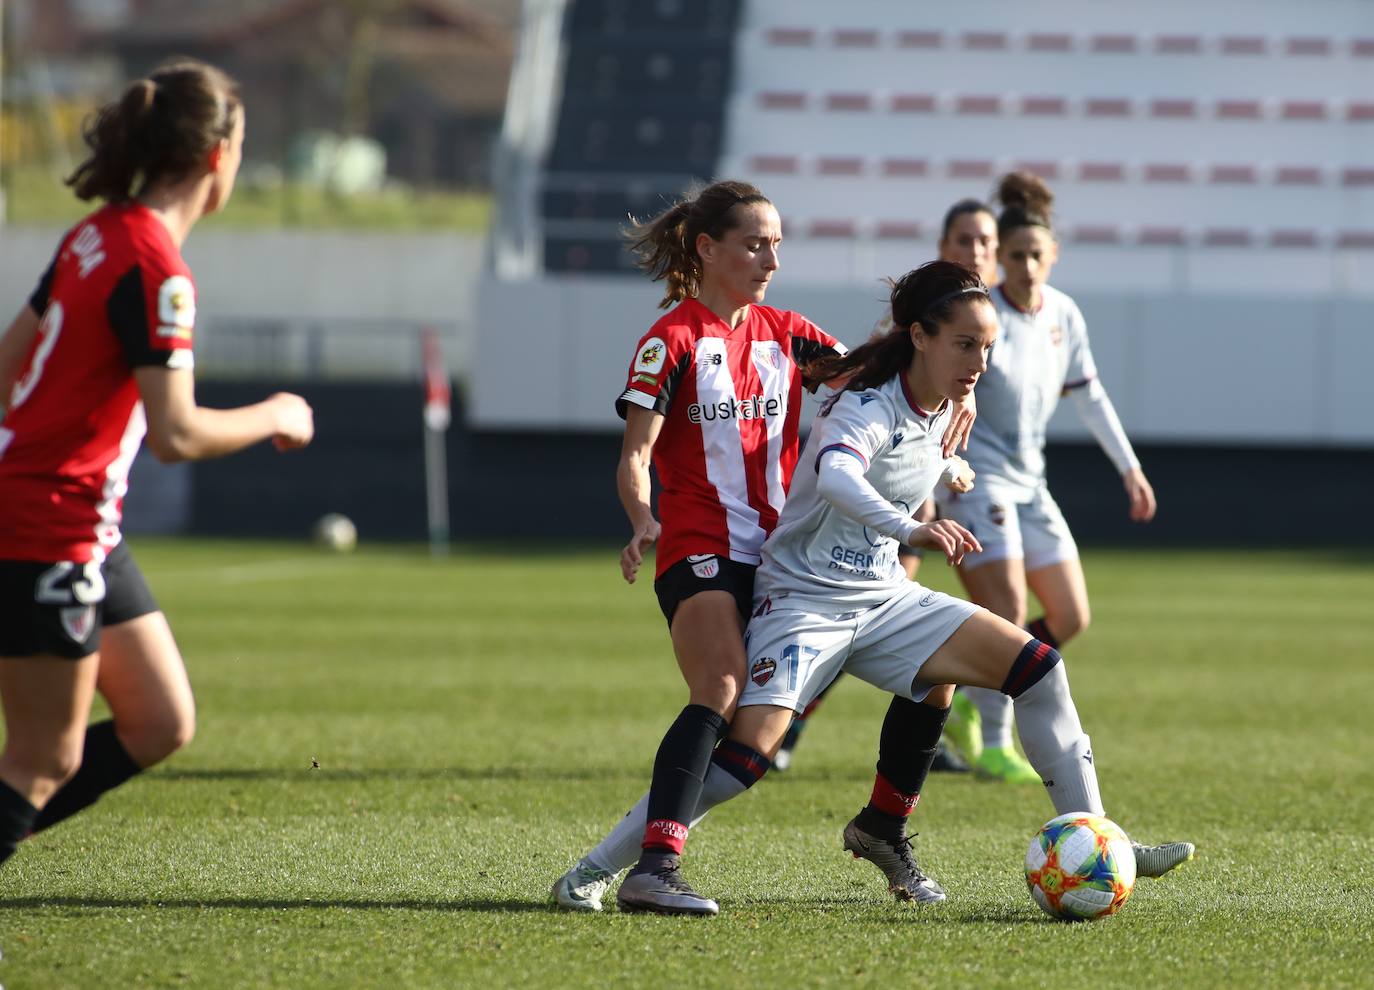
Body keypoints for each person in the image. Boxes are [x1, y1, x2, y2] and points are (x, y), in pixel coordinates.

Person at [552, 261, 1193, 912]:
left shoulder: (946, 402)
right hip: (804, 598)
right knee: (747, 757)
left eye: (988, 348)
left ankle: (1097, 836)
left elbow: (916, 452)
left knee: (1038, 669)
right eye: (965, 345)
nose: (979, 362)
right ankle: (595, 870)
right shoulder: (868, 397)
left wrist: (951, 466)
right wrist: (912, 531)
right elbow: (837, 477)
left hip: (883, 596)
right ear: (920, 336)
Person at [551, 181, 974, 916]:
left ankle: (595, 870)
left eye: (777, 242)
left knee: (756, 749)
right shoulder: (671, 340)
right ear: (706, 249)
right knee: (716, 688)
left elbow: (883, 374)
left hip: (783, 559)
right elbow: (635, 455)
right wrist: (641, 518)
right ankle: (656, 869)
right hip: (700, 547)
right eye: (754, 242)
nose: (770, 257)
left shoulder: (787, 332)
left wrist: (957, 392)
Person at [0, 60, 314, 868]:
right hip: (48, 521)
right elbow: (175, 435)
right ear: (218, 156)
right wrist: (278, 413)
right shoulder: (154, 268)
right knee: (43, 758)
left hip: (79, 522)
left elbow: (7, 374)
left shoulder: (94, 233)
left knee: (160, 721)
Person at [935, 172, 1157, 785]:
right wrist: (934, 481)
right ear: (997, 260)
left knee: (1071, 615)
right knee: (1005, 608)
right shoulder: (982, 317)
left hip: (1033, 483)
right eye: (1015, 256)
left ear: (1053, 255)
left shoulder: (1064, 313)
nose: (1028, 265)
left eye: (1037, 254)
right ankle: (994, 745)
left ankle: (967, 688)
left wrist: (1130, 468)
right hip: (979, 482)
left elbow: (1090, 396)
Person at [772, 197, 1003, 774]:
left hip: (924, 477)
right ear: (944, 248)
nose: (975, 251)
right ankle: (790, 723)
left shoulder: (991, 316)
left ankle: (929, 728)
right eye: (964, 241)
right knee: (875, 613)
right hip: (884, 484)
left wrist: (949, 462)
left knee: (924, 619)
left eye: (984, 243)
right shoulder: (917, 322)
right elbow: (884, 394)